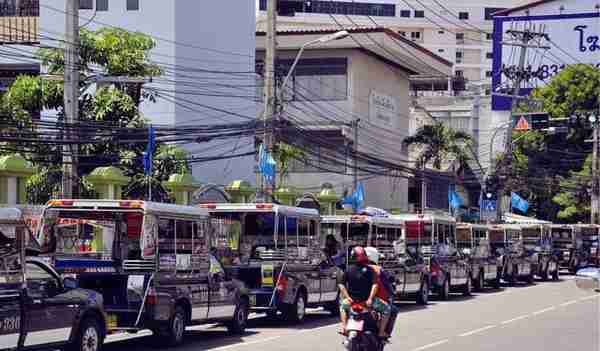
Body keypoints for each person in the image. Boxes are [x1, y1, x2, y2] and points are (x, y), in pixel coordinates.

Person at [338, 246, 391, 339]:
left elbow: (341, 285)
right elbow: (375, 284)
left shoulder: (348, 270)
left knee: (342, 307)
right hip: (367, 302)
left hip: (352, 302)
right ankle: (381, 332)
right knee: (387, 309)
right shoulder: (370, 270)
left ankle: (344, 328)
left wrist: (347, 297)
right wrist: (370, 298)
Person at [365, 246, 398, 337]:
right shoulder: (378, 269)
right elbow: (387, 285)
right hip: (374, 300)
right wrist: (392, 292)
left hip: (356, 300)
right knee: (393, 310)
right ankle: (383, 332)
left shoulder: (356, 268)